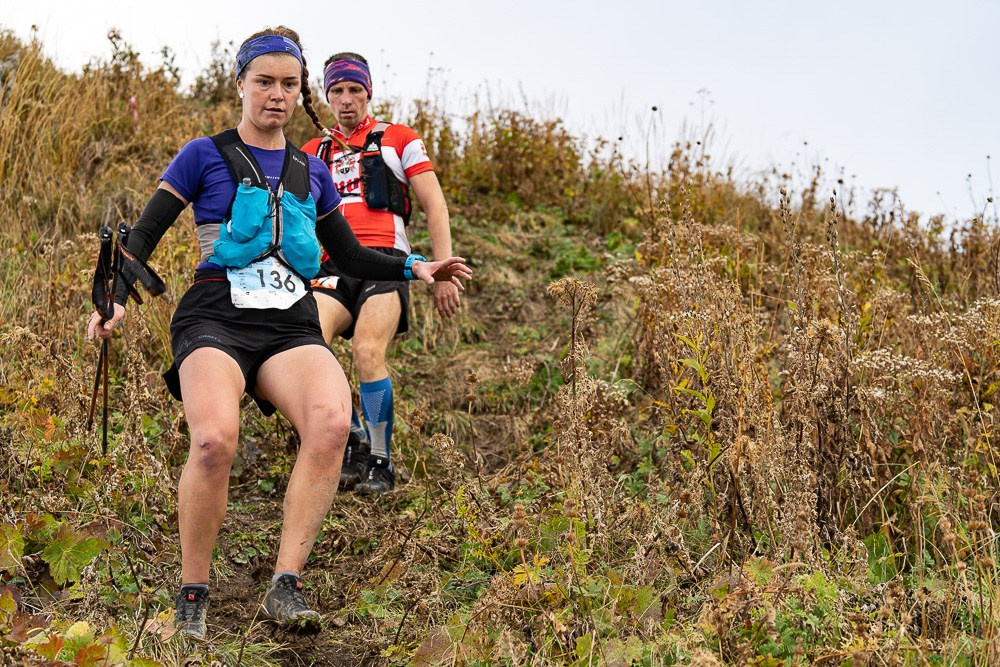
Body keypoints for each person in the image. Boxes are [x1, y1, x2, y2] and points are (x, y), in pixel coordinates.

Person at [85, 27, 470, 641]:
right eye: (264, 81)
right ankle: (193, 595)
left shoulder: (310, 171)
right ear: (240, 84)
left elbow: (346, 253)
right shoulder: (202, 155)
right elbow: (141, 239)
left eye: (289, 84)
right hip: (215, 315)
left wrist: (414, 266)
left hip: (290, 320)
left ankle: (285, 584)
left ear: (299, 92)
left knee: (331, 422)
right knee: (214, 441)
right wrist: (112, 300)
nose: (276, 95)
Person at [302, 52, 460, 495]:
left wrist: (443, 271)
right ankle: (351, 436)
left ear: (368, 92)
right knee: (307, 342)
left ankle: (380, 461)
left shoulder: (398, 138)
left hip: (386, 262)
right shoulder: (315, 151)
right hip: (332, 265)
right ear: (327, 97)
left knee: (368, 352)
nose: (346, 99)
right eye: (337, 91)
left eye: (354, 90)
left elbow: (435, 205)